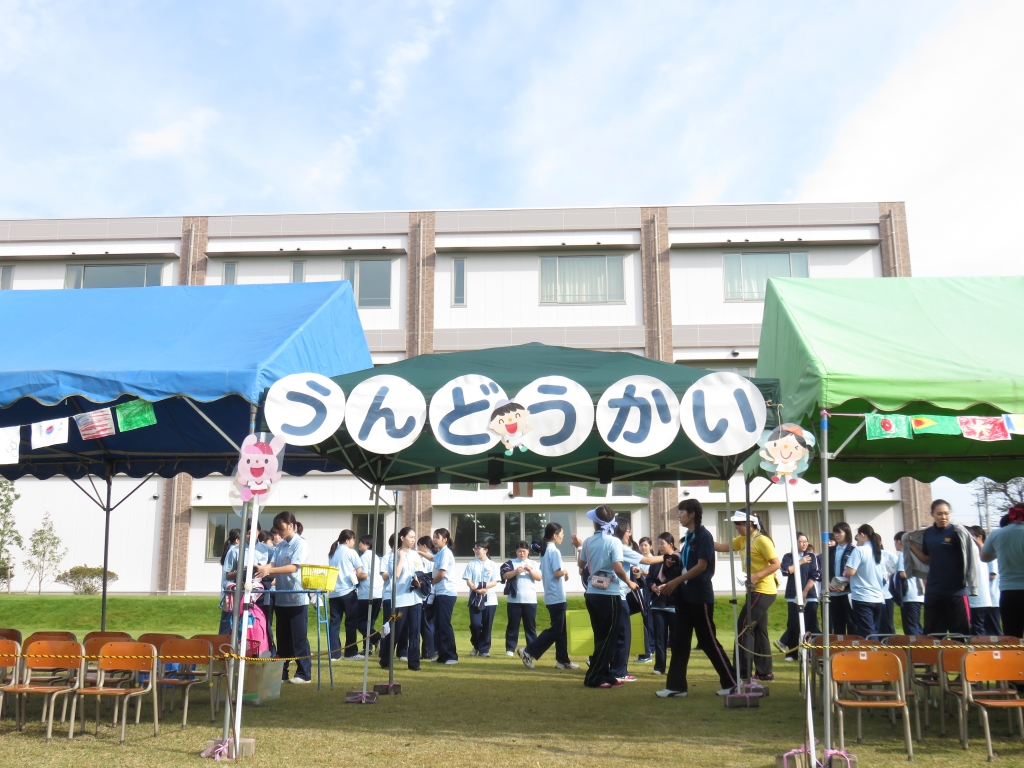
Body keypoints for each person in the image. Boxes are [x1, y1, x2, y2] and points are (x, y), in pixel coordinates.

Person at [654, 499, 737, 698]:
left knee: (708, 641)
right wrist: (674, 563)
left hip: (700, 597)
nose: (679, 516)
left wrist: (676, 582)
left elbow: (701, 566)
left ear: (692, 515)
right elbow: (687, 563)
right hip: (685, 598)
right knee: (679, 642)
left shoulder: (703, 536)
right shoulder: (689, 537)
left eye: (682, 512)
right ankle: (676, 687)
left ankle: (732, 682)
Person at [714, 511, 780, 682]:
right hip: (755, 591)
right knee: (759, 631)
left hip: (763, 590)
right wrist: (701, 537)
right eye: (735, 524)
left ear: (751, 523)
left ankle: (742, 672)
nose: (736, 527)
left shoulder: (762, 540)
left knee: (744, 626)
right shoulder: (743, 540)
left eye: (739, 524)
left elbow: (776, 564)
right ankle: (765, 672)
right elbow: (721, 547)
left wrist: (757, 576)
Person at [578, 505, 635, 688]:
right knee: (609, 638)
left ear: (595, 523)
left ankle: (607, 674)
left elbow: (581, 563)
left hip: (592, 593)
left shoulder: (588, 542)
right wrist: (630, 582)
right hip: (609, 594)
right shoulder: (614, 542)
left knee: (601, 636)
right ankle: (594, 678)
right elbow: (617, 567)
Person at [255, 512, 311, 684]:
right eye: (276, 529)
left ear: (291, 526)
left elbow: (293, 567)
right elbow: (273, 563)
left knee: (299, 638)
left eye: (281, 528)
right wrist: (261, 568)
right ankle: (283, 672)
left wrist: (269, 570)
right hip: (281, 597)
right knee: (283, 638)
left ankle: (304, 673)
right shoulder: (281, 545)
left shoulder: (300, 544)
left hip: (296, 597)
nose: (278, 532)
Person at [908, 499, 976, 636]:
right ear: (932, 514)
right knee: (934, 636)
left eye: (946, 513)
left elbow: (971, 554)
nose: (943, 517)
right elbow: (927, 560)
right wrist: (911, 546)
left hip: (956, 592)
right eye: (939, 514)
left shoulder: (957, 532)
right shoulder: (928, 534)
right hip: (934, 591)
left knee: (961, 636)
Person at [520, 523, 578, 670]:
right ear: (554, 535)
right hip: (556, 595)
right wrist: (566, 571)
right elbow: (557, 573)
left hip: (551, 595)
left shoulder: (544, 551)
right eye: (562, 534)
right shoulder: (554, 551)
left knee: (561, 630)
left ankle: (562, 660)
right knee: (556, 630)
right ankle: (528, 651)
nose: (563, 537)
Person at [612, 516, 661, 683]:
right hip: (619, 595)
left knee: (610, 634)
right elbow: (647, 560)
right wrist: (670, 555)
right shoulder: (619, 546)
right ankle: (620, 671)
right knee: (623, 635)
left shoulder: (601, 543)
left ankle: (607, 667)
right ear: (621, 531)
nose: (630, 534)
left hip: (605, 595)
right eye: (628, 531)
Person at [378, 526, 427, 671]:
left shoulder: (415, 555)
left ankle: (414, 663)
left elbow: (421, 573)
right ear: (402, 538)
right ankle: (385, 659)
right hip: (399, 600)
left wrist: (418, 582)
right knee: (395, 630)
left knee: (415, 631)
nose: (413, 540)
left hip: (416, 599)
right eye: (410, 537)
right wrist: (401, 558)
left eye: (414, 537)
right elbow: (396, 575)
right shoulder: (393, 556)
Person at [776, 532, 820, 660]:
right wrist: (800, 562)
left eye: (806, 541)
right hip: (793, 594)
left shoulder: (811, 557)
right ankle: (792, 653)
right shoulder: (788, 557)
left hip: (810, 595)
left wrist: (805, 591)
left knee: (811, 624)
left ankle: (811, 653)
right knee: (794, 623)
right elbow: (786, 571)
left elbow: (815, 575)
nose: (804, 544)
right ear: (795, 543)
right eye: (801, 541)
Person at [981, 506, 1024, 638]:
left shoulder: (997, 534)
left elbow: (984, 557)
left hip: (1008, 591)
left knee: (1011, 636)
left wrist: (1000, 552)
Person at [327, 529, 367, 661]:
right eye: (353, 540)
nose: (354, 542)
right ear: (347, 540)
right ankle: (350, 652)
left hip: (334, 592)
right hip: (348, 591)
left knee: (334, 623)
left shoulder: (332, 553)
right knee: (351, 622)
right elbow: (360, 572)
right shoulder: (351, 552)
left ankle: (334, 654)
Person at [844, 524, 887, 639]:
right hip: (878, 597)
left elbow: (850, 571)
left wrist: (846, 568)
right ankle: (876, 649)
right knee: (874, 631)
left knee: (868, 634)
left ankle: (874, 650)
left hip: (862, 597)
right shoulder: (878, 552)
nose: (857, 539)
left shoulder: (859, 550)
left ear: (862, 534)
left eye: (857, 536)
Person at [646, 532, 677, 675]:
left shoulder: (677, 559)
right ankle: (659, 667)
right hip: (658, 604)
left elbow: (679, 578)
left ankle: (676, 668)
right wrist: (652, 586)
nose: (659, 546)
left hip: (673, 604)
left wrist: (668, 584)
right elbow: (649, 579)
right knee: (660, 638)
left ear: (671, 544)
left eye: (662, 543)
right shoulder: (655, 562)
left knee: (675, 638)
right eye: (658, 543)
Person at [503, 540, 542, 655]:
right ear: (516, 552)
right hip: (514, 599)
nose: (522, 554)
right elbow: (504, 576)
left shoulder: (533, 563)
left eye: (524, 551)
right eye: (519, 551)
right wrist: (516, 571)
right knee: (513, 625)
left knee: (530, 626)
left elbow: (539, 578)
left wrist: (530, 570)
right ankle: (510, 649)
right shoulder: (511, 563)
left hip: (530, 599)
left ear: (528, 552)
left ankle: (532, 649)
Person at [463, 539, 500, 657]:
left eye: (478, 548)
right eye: (475, 548)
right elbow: (468, 581)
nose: (476, 550)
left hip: (490, 599)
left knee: (487, 625)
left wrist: (483, 586)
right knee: (475, 624)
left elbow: (494, 582)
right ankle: (476, 645)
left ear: (486, 550)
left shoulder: (493, 565)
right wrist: (477, 589)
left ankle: (484, 649)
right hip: (475, 598)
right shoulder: (471, 564)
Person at [431, 528, 459, 665]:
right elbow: (432, 558)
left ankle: (451, 656)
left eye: (437, 537)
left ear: (445, 539)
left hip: (446, 593)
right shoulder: (440, 553)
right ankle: (442, 656)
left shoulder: (446, 553)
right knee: (438, 625)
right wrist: (418, 552)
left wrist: (430, 582)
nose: (434, 540)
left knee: (444, 624)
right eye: (433, 537)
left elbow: (442, 574)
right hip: (440, 592)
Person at [969, 526, 1002, 635]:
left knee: (993, 631)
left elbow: (992, 575)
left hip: (991, 599)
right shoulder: (976, 553)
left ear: (979, 537)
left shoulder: (987, 553)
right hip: (984, 600)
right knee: (983, 630)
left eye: (971, 536)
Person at [356, 535, 384, 656]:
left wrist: (355, 576)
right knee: (370, 623)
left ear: (367, 545)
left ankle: (377, 638)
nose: (359, 544)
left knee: (359, 622)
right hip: (378, 593)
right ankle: (368, 648)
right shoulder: (376, 557)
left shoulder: (364, 557)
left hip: (367, 593)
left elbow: (364, 575)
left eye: (361, 542)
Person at [828, 522, 855, 634]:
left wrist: (845, 585)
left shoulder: (853, 550)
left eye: (839, 532)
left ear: (847, 533)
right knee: (837, 623)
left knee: (852, 622)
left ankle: (852, 644)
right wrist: (828, 583)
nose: (836, 535)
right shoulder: (830, 550)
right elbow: (825, 569)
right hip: (833, 592)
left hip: (848, 592)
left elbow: (855, 572)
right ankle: (839, 644)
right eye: (835, 532)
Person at [895, 531, 924, 636]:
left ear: (899, 541)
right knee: (916, 624)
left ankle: (915, 646)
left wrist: (894, 575)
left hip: (910, 595)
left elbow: (903, 574)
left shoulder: (903, 555)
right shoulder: (917, 554)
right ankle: (922, 644)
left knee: (910, 627)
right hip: (919, 594)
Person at [416, 536, 437, 661]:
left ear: (424, 546)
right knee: (428, 624)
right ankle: (427, 651)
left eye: (418, 545)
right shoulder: (434, 557)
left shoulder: (425, 559)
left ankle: (429, 651)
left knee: (425, 625)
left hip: (426, 595)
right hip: (432, 594)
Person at [218, 528, 241, 634]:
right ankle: (223, 642)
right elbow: (229, 574)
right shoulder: (233, 551)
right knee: (227, 623)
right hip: (230, 591)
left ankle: (223, 640)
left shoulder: (229, 550)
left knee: (227, 621)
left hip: (228, 591)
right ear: (237, 540)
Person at [635, 536, 654, 664]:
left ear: (650, 547)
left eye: (646, 545)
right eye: (641, 545)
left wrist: (646, 574)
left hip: (649, 593)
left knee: (649, 622)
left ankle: (650, 648)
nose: (643, 547)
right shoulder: (638, 559)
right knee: (643, 621)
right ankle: (646, 648)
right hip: (639, 593)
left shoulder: (653, 560)